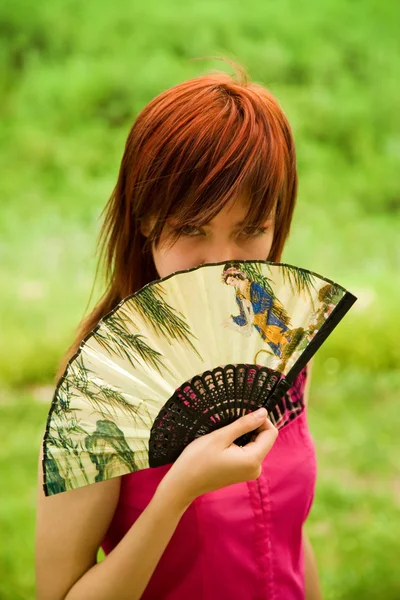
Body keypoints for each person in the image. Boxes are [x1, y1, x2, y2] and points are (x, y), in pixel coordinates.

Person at [35, 58, 323, 600]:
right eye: (191, 228)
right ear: (147, 219)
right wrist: (179, 490)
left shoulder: (281, 337)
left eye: (250, 230)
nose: (222, 262)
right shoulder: (99, 391)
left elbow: (291, 539)